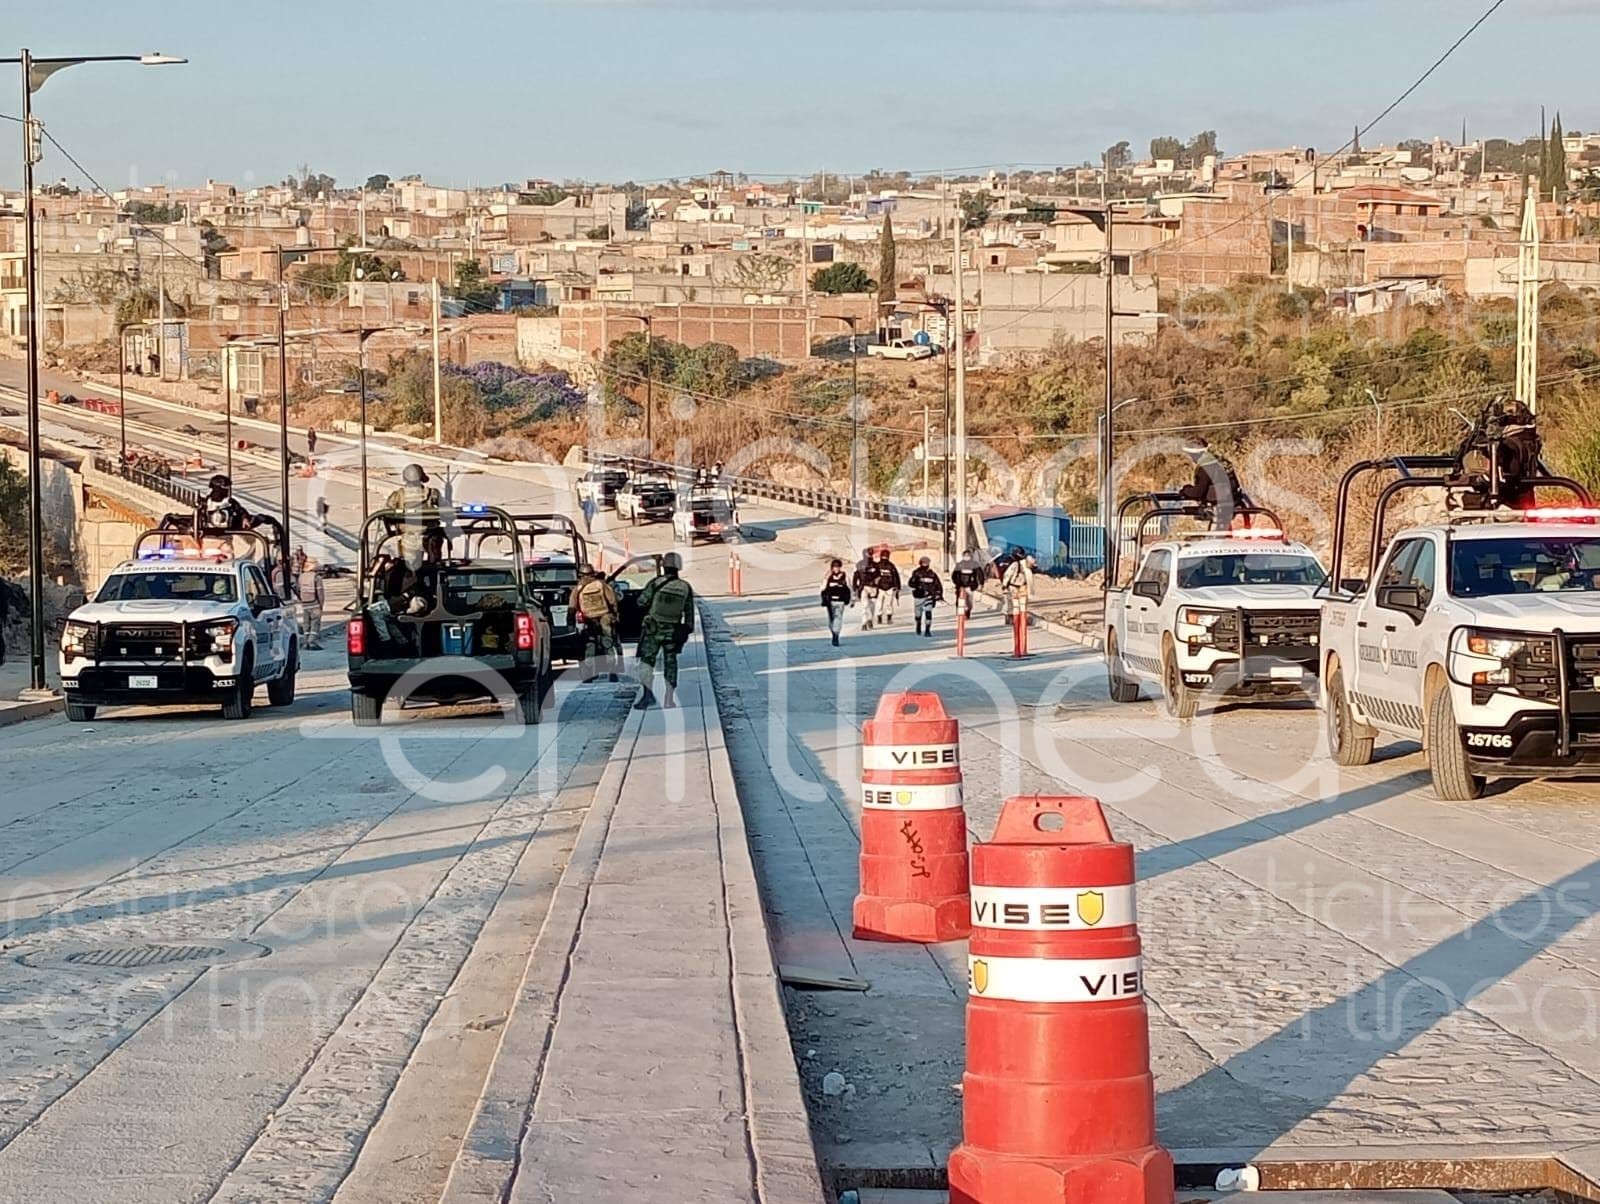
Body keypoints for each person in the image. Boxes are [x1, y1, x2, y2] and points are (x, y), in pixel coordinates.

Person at [636, 552, 695, 709]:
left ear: (663, 567)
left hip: (652, 630)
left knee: (647, 663)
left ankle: (647, 696)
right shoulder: (685, 587)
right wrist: (685, 632)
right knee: (671, 663)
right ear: (678, 567)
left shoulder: (655, 583)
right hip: (672, 631)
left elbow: (641, 602)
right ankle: (669, 699)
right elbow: (689, 615)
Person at [1177, 437, 1251, 531]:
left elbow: (1198, 492)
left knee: (1216, 539)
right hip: (1232, 503)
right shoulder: (1222, 461)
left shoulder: (1206, 466)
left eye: (1190, 455)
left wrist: (1185, 490)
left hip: (1218, 507)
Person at [571, 563, 621, 681]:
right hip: (605, 617)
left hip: (589, 620)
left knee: (590, 645)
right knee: (608, 644)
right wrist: (615, 614)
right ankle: (612, 672)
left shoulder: (578, 588)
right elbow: (613, 600)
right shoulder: (601, 584)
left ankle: (589, 674)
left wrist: (570, 621)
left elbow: (572, 606)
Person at [909, 556, 944, 637]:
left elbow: (938, 585)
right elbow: (910, 583)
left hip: (929, 596)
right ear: (920, 563)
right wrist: (915, 582)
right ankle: (918, 624)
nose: (925, 565)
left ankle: (927, 630)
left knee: (928, 612)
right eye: (924, 563)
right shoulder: (916, 573)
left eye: (927, 563)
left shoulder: (932, 574)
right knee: (918, 613)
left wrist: (939, 595)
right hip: (918, 596)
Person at [820, 559, 853, 647]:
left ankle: (836, 636)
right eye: (834, 567)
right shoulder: (828, 577)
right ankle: (833, 633)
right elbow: (822, 588)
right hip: (830, 602)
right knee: (830, 621)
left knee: (837, 619)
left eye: (838, 567)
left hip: (840, 601)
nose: (836, 569)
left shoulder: (845, 577)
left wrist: (852, 599)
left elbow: (850, 588)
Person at [868, 547, 902, 627]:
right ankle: (882, 617)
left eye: (885, 557)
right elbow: (873, 575)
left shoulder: (889, 566)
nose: (884, 558)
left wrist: (897, 587)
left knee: (886, 603)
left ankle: (886, 617)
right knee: (883, 604)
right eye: (884, 556)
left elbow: (895, 577)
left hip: (888, 587)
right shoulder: (882, 565)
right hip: (881, 588)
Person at [1001, 553, 1035, 621]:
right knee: (1011, 602)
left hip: (1022, 587)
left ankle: (1021, 618)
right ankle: (1010, 616)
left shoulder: (1028, 570)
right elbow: (1008, 574)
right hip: (1013, 587)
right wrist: (1004, 585)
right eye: (1031, 564)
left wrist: (1030, 593)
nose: (1031, 566)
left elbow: (1030, 582)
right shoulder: (1016, 565)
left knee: (1022, 604)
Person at [951, 551, 984, 619]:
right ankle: (960, 613)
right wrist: (957, 583)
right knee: (960, 599)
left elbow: (980, 574)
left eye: (968, 555)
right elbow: (954, 575)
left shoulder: (974, 564)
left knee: (969, 600)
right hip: (960, 585)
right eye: (965, 556)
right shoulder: (959, 565)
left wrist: (981, 583)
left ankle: (967, 611)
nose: (967, 557)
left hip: (970, 585)